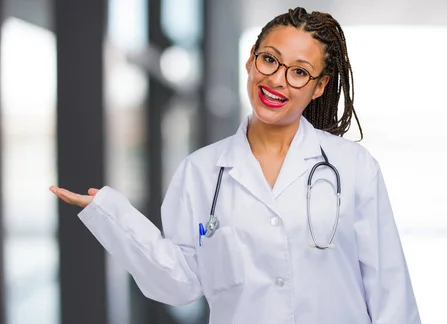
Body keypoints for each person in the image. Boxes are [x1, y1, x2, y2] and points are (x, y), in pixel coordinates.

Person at [50, 7, 421, 324]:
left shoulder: (353, 167)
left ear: (319, 86)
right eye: (270, 59)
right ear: (251, 59)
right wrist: (111, 216)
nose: (276, 79)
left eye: (299, 72)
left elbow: (391, 294)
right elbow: (179, 283)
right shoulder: (201, 171)